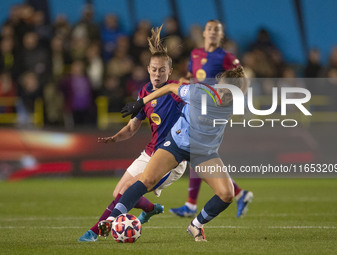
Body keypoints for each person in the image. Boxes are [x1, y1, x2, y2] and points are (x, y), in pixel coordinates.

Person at [100, 66, 248, 242]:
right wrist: (141, 102)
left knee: (227, 194)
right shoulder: (198, 92)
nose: (223, 95)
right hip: (177, 143)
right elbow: (170, 87)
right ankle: (110, 220)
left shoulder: (238, 103)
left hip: (204, 152)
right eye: (222, 89)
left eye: (230, 92)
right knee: (147, 180)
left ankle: (196, 225)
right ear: (218, 84)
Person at [78, 26, 187, 242]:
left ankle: (96, 231)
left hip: (171, 159)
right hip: (150, 152)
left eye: (162, 70)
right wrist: (116, 137)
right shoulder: (144, 92)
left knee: (129, 189)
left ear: (170, 72)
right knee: (118, 192)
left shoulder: (176, 90)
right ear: (148, 69)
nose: (157, 74)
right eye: (154, 69)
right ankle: (150, 208)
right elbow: (132, 127)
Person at [173, 20, 253, 218]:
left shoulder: (227, 57)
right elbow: (192, 76)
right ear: (204, 33)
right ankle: (239, 194)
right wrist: (185, 82)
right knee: (198, 155)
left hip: (214, 110)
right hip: (197, 106)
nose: (212, 33)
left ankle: (192, 204)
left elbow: (242, 80)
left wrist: (237, 103)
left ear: (221, 35)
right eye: (210, 29)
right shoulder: (195, 54)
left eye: (216, 30)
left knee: (198, 154)